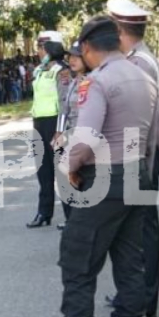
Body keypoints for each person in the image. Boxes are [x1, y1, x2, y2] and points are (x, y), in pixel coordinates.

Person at [36, 17, 159, 317]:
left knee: (78, 265)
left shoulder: (99, 81)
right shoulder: (142, 74)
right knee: (130, 265)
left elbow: (87, 136)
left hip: (106, 179)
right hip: (136, 177)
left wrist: (67, 166)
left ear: (89, 47)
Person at [109, 0, 159, 317]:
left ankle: (144, 301)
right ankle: (132, 292)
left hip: (139, 154)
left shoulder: (139, 63)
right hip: (141, 152)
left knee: (142, 228)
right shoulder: (136, 58)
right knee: (130, 228)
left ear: (118, 28)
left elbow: (153, 111)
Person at [27, 31, 68, 229]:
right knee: (43, 170)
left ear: (50, 48)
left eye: (40, 47)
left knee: (62, 171)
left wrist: (60, 131)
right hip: (39, 122)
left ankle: (71, 215)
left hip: (55, 124)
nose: (38, 51)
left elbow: (64, 103)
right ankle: (44, 212)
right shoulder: (40, 70)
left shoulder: (62, 71)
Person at [53, 44, 85, 230]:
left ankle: (80, 220)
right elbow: (64, 109)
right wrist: (59, 132)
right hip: (69, 133)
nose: (72, 60)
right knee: (64, 177)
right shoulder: (72, 81)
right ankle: (71, 218)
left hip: (84, 137)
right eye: (70, 57)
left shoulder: (91, 81)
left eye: (76, 57)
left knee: (78, 178)